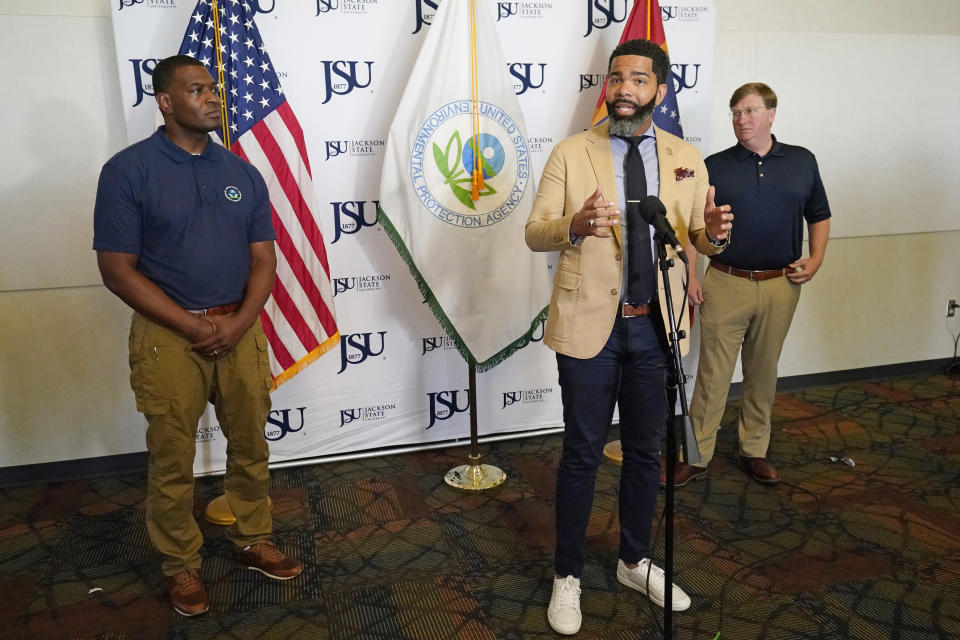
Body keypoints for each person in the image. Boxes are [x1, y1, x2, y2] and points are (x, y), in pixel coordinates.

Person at [525, 39, 733, 635]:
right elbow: (535, 232)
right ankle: (567, 575)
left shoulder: (688, 157)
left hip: (657, 327)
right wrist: (574, 224)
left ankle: (634, 560)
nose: (624, 90)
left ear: (659, 91)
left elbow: (697, 237)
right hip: (591, 327)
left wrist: (715, 236)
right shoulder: (571, 153)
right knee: (583, 454)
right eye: (616, 79)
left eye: (638, 80)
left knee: (646, 452)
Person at [93, 55, 301, 617]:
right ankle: (181, 564)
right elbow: (117, 269)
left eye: (214, 89)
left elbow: (265, 259)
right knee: (171, 458)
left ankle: (253, 538)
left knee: (252, 446)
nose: (213, 98)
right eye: (197, 90)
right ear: (165, 101)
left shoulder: (241, 172)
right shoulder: (128, 171)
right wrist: (190, 324)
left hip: (240, 329)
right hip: (168, 336)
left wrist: (236, 324)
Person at [662, 82, 831, 489]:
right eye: (735, 112)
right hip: (726, 281)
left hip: (781, 285)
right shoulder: (714, 165)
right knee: (712, 375)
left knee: (763, 372)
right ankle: (696, 455)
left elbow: (820, 214)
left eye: (750, 111)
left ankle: (754, 449)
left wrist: (817, 259)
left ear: (772, 113)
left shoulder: (802, 161)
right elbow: (694, 223)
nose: (741, 119)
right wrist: (691, 274)